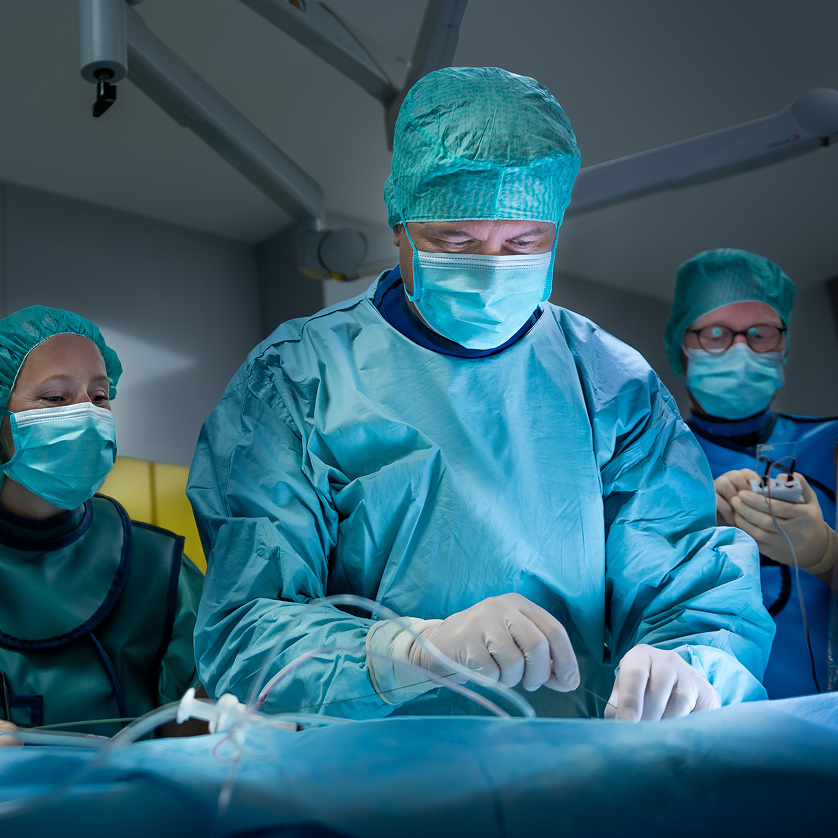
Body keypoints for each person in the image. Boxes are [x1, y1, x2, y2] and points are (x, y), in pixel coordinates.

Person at [189, 67, 774, 723]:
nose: (493, 269)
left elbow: (692, 583)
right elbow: (246, 632)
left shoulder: (612, 385)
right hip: (361, 790)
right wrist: (410, 653)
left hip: (573, 779)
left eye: (523, 243)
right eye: (455, 242)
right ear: (398, 227)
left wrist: (688, 662)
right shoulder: (297, 379)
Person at [0, 306, 204, 737]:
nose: (87, 416)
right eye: (55, 398)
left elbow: (200, 717)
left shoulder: (158, 569)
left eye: (99, 397)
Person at [665, 249, 837, 698]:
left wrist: (825, 553)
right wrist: (699, 542)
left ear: (782, 346)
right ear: (681, 347)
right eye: (717, 333)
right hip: (707, 725)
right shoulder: (651, 463)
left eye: (761, 333)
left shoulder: (832, 445)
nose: (741, 348)